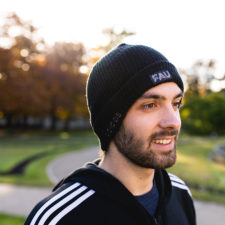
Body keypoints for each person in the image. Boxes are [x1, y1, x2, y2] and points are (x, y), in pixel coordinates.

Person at [24, 44, 196, 225]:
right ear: (112, 121)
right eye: (150, 105)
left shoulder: (180, 193)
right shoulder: (58, 219)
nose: (173, 121)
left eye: (176, 103)